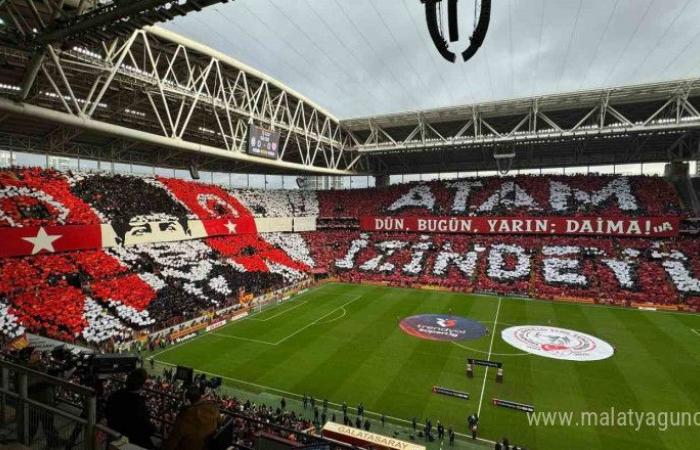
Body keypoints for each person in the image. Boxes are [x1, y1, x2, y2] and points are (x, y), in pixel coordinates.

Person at [106, 368, 155, 449]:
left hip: (114, 434)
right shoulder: (138, 404)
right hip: (132, 440)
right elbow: (147, 428)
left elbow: (108, 413)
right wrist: (154, 429)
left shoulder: (115, 395)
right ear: (141, 385)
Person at [162, 385, 219, 450]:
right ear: (200, 396)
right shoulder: (213, 409)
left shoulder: (185, 416)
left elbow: (172, 442)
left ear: (187, 401)